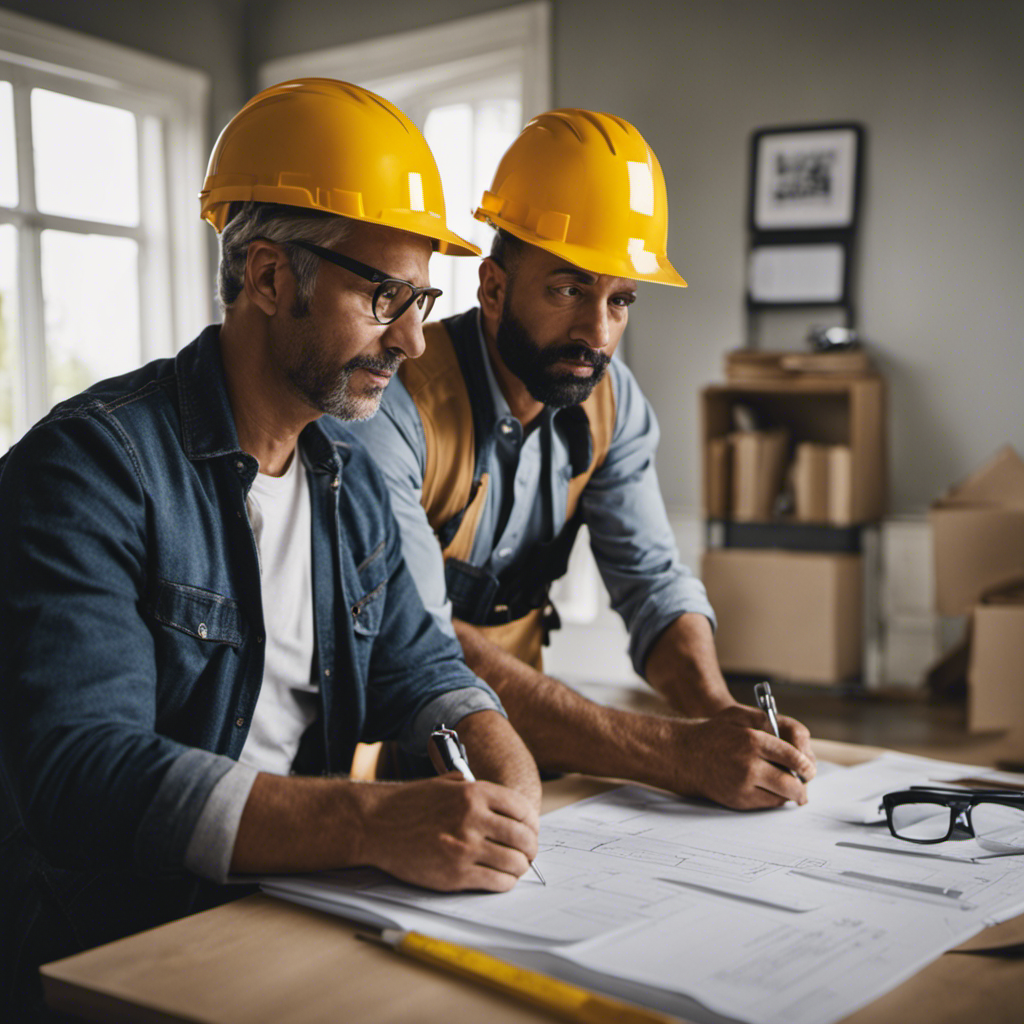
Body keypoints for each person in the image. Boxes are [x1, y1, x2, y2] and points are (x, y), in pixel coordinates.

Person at [0, 79, 541, 1021]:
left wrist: (500, 758)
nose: (414, 338)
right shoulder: (87, 469)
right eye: (384, 296)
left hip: (290, 920)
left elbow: (420, 665)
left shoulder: (348, 479)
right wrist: (373, 823)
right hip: (113, 956)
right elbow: (80, 773)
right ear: (267, 277)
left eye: (423, 298)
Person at [347, 108, 817, 808]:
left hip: (535, 746)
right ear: (494, 288)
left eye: (620, 300)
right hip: (382, 757)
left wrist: (716, 711)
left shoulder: (612, 403)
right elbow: (425, 640)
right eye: (569, 289)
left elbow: (652, 583)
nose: (596, 334)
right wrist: (676, 754)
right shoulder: (392, 406)